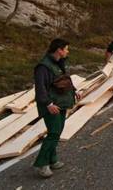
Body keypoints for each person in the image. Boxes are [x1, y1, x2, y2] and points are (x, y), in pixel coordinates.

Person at [33, 38, 80, 178]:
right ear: (59, 50)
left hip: (61, 102)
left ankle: (52, 159)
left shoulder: (59, 63)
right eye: (66, 48)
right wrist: (48, 104)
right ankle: (42, 164)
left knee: (57, 132)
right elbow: (40, 88)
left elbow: (64, 80)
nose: (67, 51)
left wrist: (74, 90)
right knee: (53, 133)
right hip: (51, 105)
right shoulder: (43, 67)